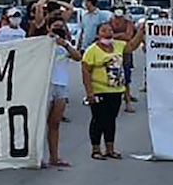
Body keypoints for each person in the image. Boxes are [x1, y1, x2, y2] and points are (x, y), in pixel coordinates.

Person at [81, 21, 145, 161]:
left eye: (109, 30)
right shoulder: (92, 50)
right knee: (98, 120)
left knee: (111, 120)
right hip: (99, 90)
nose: (108, 33)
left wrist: (141, 31)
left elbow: (132, 46)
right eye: (104, 30)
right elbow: (86, 71)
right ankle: (96, 149)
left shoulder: (118, 45)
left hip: (116, 90)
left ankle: (110, 149)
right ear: (98, 34)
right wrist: (89, 92)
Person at [46, 16, 82, 167]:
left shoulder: (66, 44)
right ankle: (37, 155)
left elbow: (78, 57)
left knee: (55, 123)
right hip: (46, 85)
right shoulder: (43, 42)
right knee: (41, 123)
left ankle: (54, 157)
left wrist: (65, 45)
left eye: (61, 26)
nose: (58, 29)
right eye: (55, 26)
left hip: (61, 85)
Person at [109, 6, 138, 113]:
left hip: (125, 52)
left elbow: (128, 35)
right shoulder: (108, 23)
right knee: (110, 76)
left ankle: (128, 102)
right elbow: (106, 35)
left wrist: (115, 36)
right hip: (111, 52)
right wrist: (121, 35)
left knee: (126, 77)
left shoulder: (128, 23)